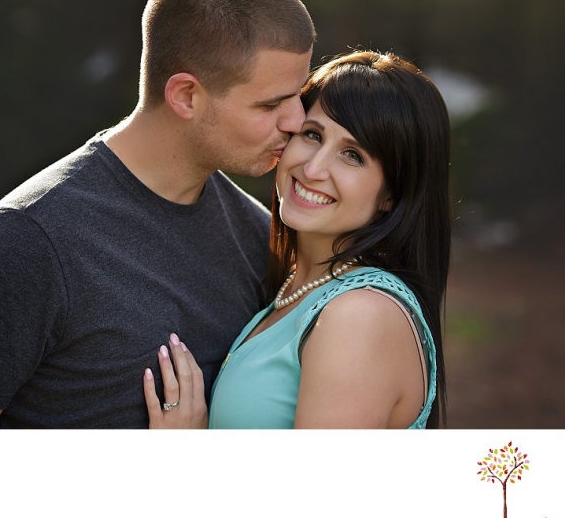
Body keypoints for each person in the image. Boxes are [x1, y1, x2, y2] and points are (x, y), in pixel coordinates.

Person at [0, 0, 316, 428]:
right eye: (270, 105)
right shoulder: (26, 243)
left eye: (298, 96)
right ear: (185, 96)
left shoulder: (259, 235)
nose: (297, 122)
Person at [144, 50, 451, 429]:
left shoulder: (361, 316)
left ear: (393, 195)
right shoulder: (296, 288)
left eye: (353, 155)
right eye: (312, 135)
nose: (313, 168)